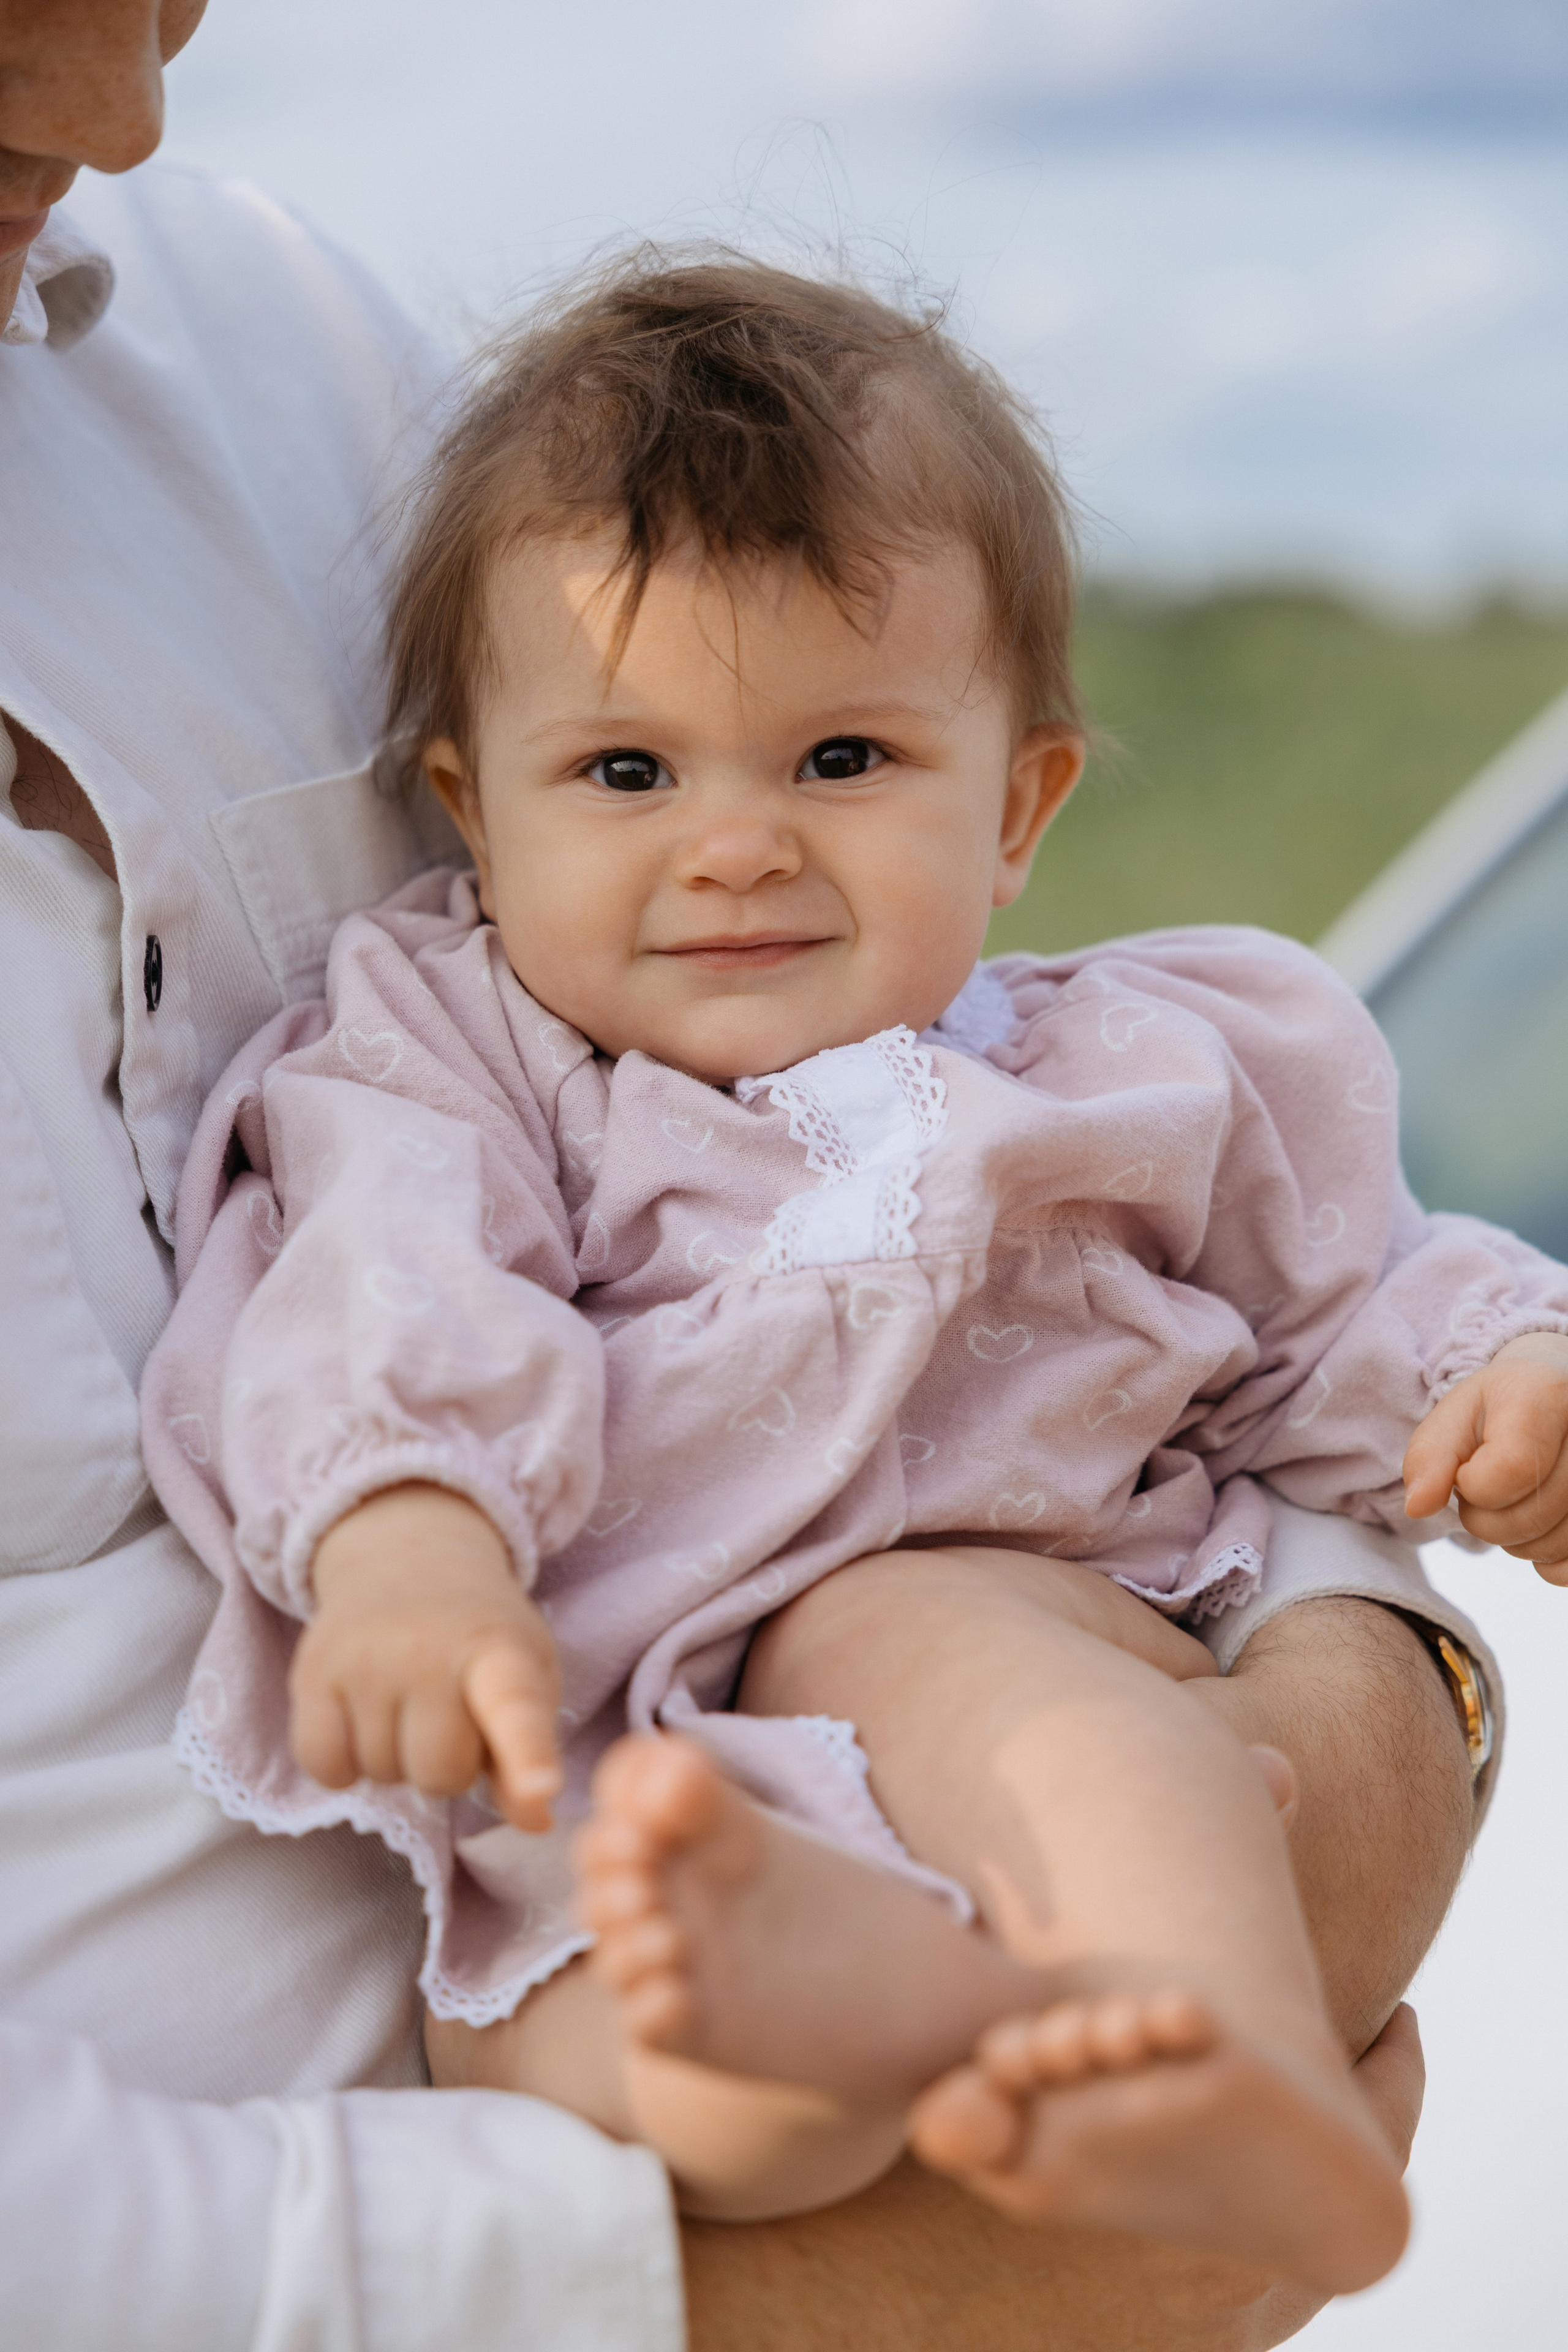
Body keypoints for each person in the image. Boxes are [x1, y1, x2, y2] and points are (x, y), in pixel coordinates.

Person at [0, 4, 1479, 2345]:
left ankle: (1210, 2059)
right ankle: (856, 2010)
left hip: (951, 1600)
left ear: (1021, 806)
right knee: (588, 2053)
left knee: (996, 1684)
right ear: (467, 811)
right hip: (603, 1775)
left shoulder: (1130, 1053)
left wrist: (1489, 1393)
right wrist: (406, 1531)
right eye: (627, 776)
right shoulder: (448, 1050)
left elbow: (1343, 1283)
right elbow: (384, 1280)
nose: (737, 846)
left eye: (845, 758)